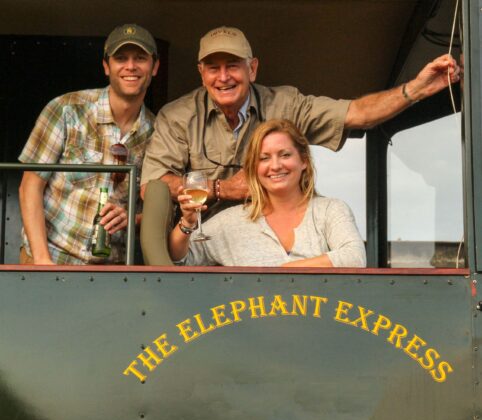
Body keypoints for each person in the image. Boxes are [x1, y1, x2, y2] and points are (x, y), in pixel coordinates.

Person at [140, 25, 459, 264]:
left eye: (233, 65)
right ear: (201, 73)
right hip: (216, 250)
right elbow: (153, 189)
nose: (223, 76)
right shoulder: (178, 116)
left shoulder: (288, 107)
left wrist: (415, 90)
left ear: (252, 69)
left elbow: (357, 114)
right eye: (213, 67)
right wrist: (222, 191)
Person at [18, 24, 160, 265]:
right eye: (121, 58)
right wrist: (42, 261)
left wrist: (131, 219)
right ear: (106, 66)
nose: (131, 66)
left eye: (140, 58)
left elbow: (158, 214)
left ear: (155, 67)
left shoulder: (158, 133)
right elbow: (29, 186)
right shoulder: (66, 109)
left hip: (110, 272)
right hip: (50, 258)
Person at [169, 119, 366, 267]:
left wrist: (281, 272)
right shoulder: (233, 220)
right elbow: (180, 259)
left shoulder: (330, 210)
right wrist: (187, 223)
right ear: (254, 168)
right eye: (264, 158)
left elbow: (354, 257)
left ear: (303, 160)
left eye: (285, 155)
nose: (275, 166)